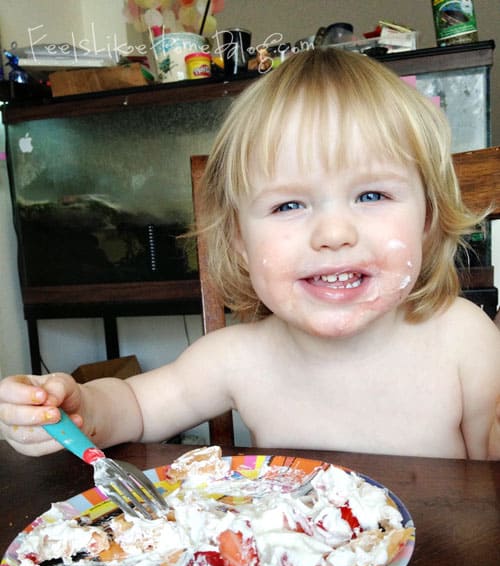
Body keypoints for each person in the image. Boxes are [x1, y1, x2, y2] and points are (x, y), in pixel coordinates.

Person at [1, 48, 499, 460]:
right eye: (288, 204)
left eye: (371, 196)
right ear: (239, 240)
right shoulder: (237, 358)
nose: (333, 233)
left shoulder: (463, 339)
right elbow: (134, 405)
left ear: (429, 219)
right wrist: (79, 408)